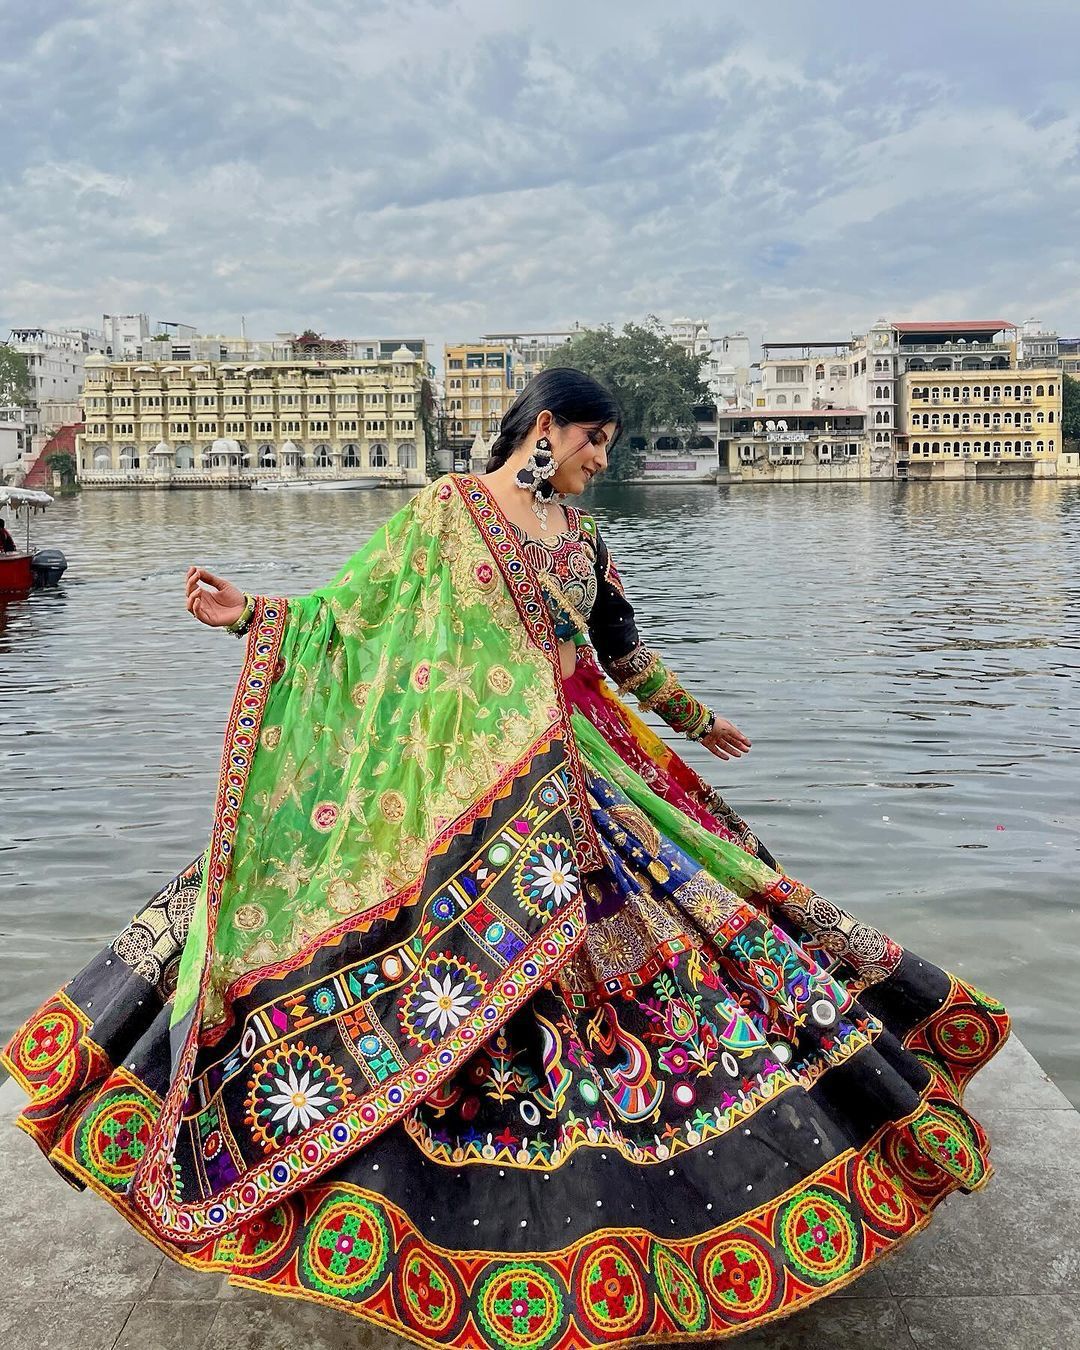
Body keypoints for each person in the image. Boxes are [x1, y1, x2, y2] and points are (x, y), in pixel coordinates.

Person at [3, 367, 1008, 1349]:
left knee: (690, 936)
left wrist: (695, 719)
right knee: (399, 943)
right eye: (591, 441)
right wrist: (258, 617)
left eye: (606, 444)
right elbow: (356, 614)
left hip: (584, 777)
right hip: (462, 785)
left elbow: (621, 655)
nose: (598, 461)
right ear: (543, 430)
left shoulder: (582, 540)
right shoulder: (447, 513)